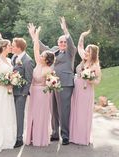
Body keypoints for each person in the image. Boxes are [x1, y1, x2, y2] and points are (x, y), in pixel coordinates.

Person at [39, 17, 77, 145]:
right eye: (60, 42)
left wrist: (65, 31)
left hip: (65, 84)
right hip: (53, 83)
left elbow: (71, 44)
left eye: (64, 42)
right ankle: (55, 133)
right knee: (54, 109)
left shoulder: (70, 52)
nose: (62, 44)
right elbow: (44, 48)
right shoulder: (54, 50)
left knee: (64, 110)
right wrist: (35, 37)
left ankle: (65, 135)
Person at [69, 30, 101, 145]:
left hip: (86, 90)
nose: (86, 52)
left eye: (88, 51)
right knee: (75, 111)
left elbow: (98, 81)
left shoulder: (95, 65)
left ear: (93, 53)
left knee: (83, 113)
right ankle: (74, 136)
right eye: (86, 50)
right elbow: (79, 46)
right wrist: (82, 35)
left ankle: (82, 138)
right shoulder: (84, 59)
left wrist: (90, 79)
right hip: (77, 89)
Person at [26, 24, 55, 146]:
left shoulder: (48, 70)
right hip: (33, 92)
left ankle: (40, 138)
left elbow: (51, 83)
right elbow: (36, 48)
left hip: (43, 94)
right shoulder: (38, 64)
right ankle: (31, 137)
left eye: (43, 56)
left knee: (40, 115)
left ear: (47, 59)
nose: (40, 56)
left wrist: (51, 84)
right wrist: (34, 34)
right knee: (32, 114)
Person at [11, 37, 34, 148]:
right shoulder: (14, 57)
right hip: (11, 92)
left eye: (13, 45)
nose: (11, 46)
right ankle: (12, 135)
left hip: (20, 94)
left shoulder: (28, 60)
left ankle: (19, 139)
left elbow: (29, 79)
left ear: (19, 47)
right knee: (12, 116)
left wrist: (24, 94)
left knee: (19, 116)